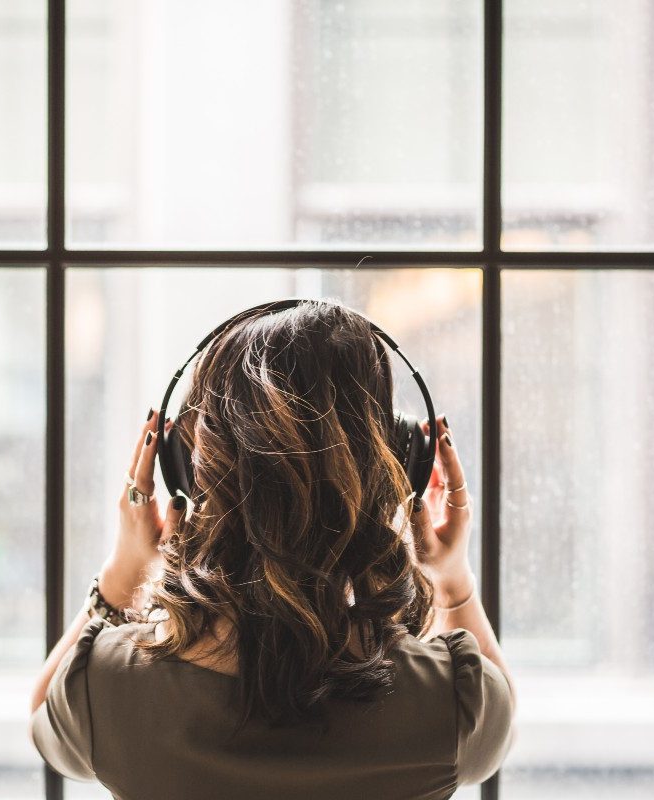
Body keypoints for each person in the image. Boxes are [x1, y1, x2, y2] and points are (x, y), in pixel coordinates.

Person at [28, 299, 517, 799]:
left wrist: (124, 570)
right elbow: (498, 728)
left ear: (184, 470)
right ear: (400, 463)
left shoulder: (107, 688)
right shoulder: (451, 701)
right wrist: (452, 578)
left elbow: (45, 718)